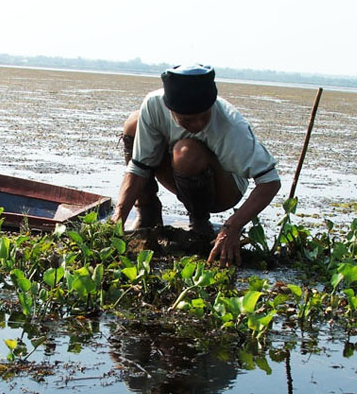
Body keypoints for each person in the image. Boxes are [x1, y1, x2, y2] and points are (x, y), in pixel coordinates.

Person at [112, 64, 281, 266]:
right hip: (177, 171)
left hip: (224, 189)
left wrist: (232, 227)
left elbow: (270, 181)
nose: (198, 125)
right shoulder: (155, 104)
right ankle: (148, 214)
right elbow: (139, 167)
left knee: (186, 152)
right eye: (188, 120)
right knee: (134, 122)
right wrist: (118, 217)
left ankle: (200, 222)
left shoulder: (231, 126)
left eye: (204, 116)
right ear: (170, 109)